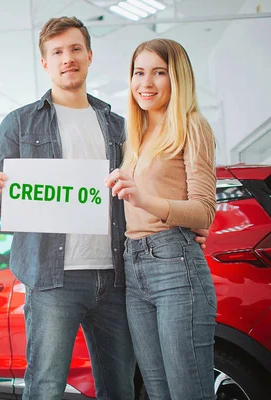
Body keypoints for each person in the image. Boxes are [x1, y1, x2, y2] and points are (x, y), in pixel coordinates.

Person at [0, 16, 135, 400]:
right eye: (57, 52)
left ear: (89, 55)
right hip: (51, 280)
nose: (68, 58)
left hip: (116, 278)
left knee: (121, 388)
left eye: (75, 49)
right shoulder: (20, 123)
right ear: (45, 63)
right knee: (44, 388)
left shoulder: (118, 127)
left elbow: (137, 195)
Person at [105, 39, 217, 400]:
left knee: (188, 392)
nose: (146, 83)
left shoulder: (191, 125)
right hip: (133, 267)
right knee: (157, 392)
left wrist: (143, 198)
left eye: (159, 73)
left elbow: (204, 210)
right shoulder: (133, 138)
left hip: (174, 264)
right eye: (139, 73)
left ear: (177, 78)